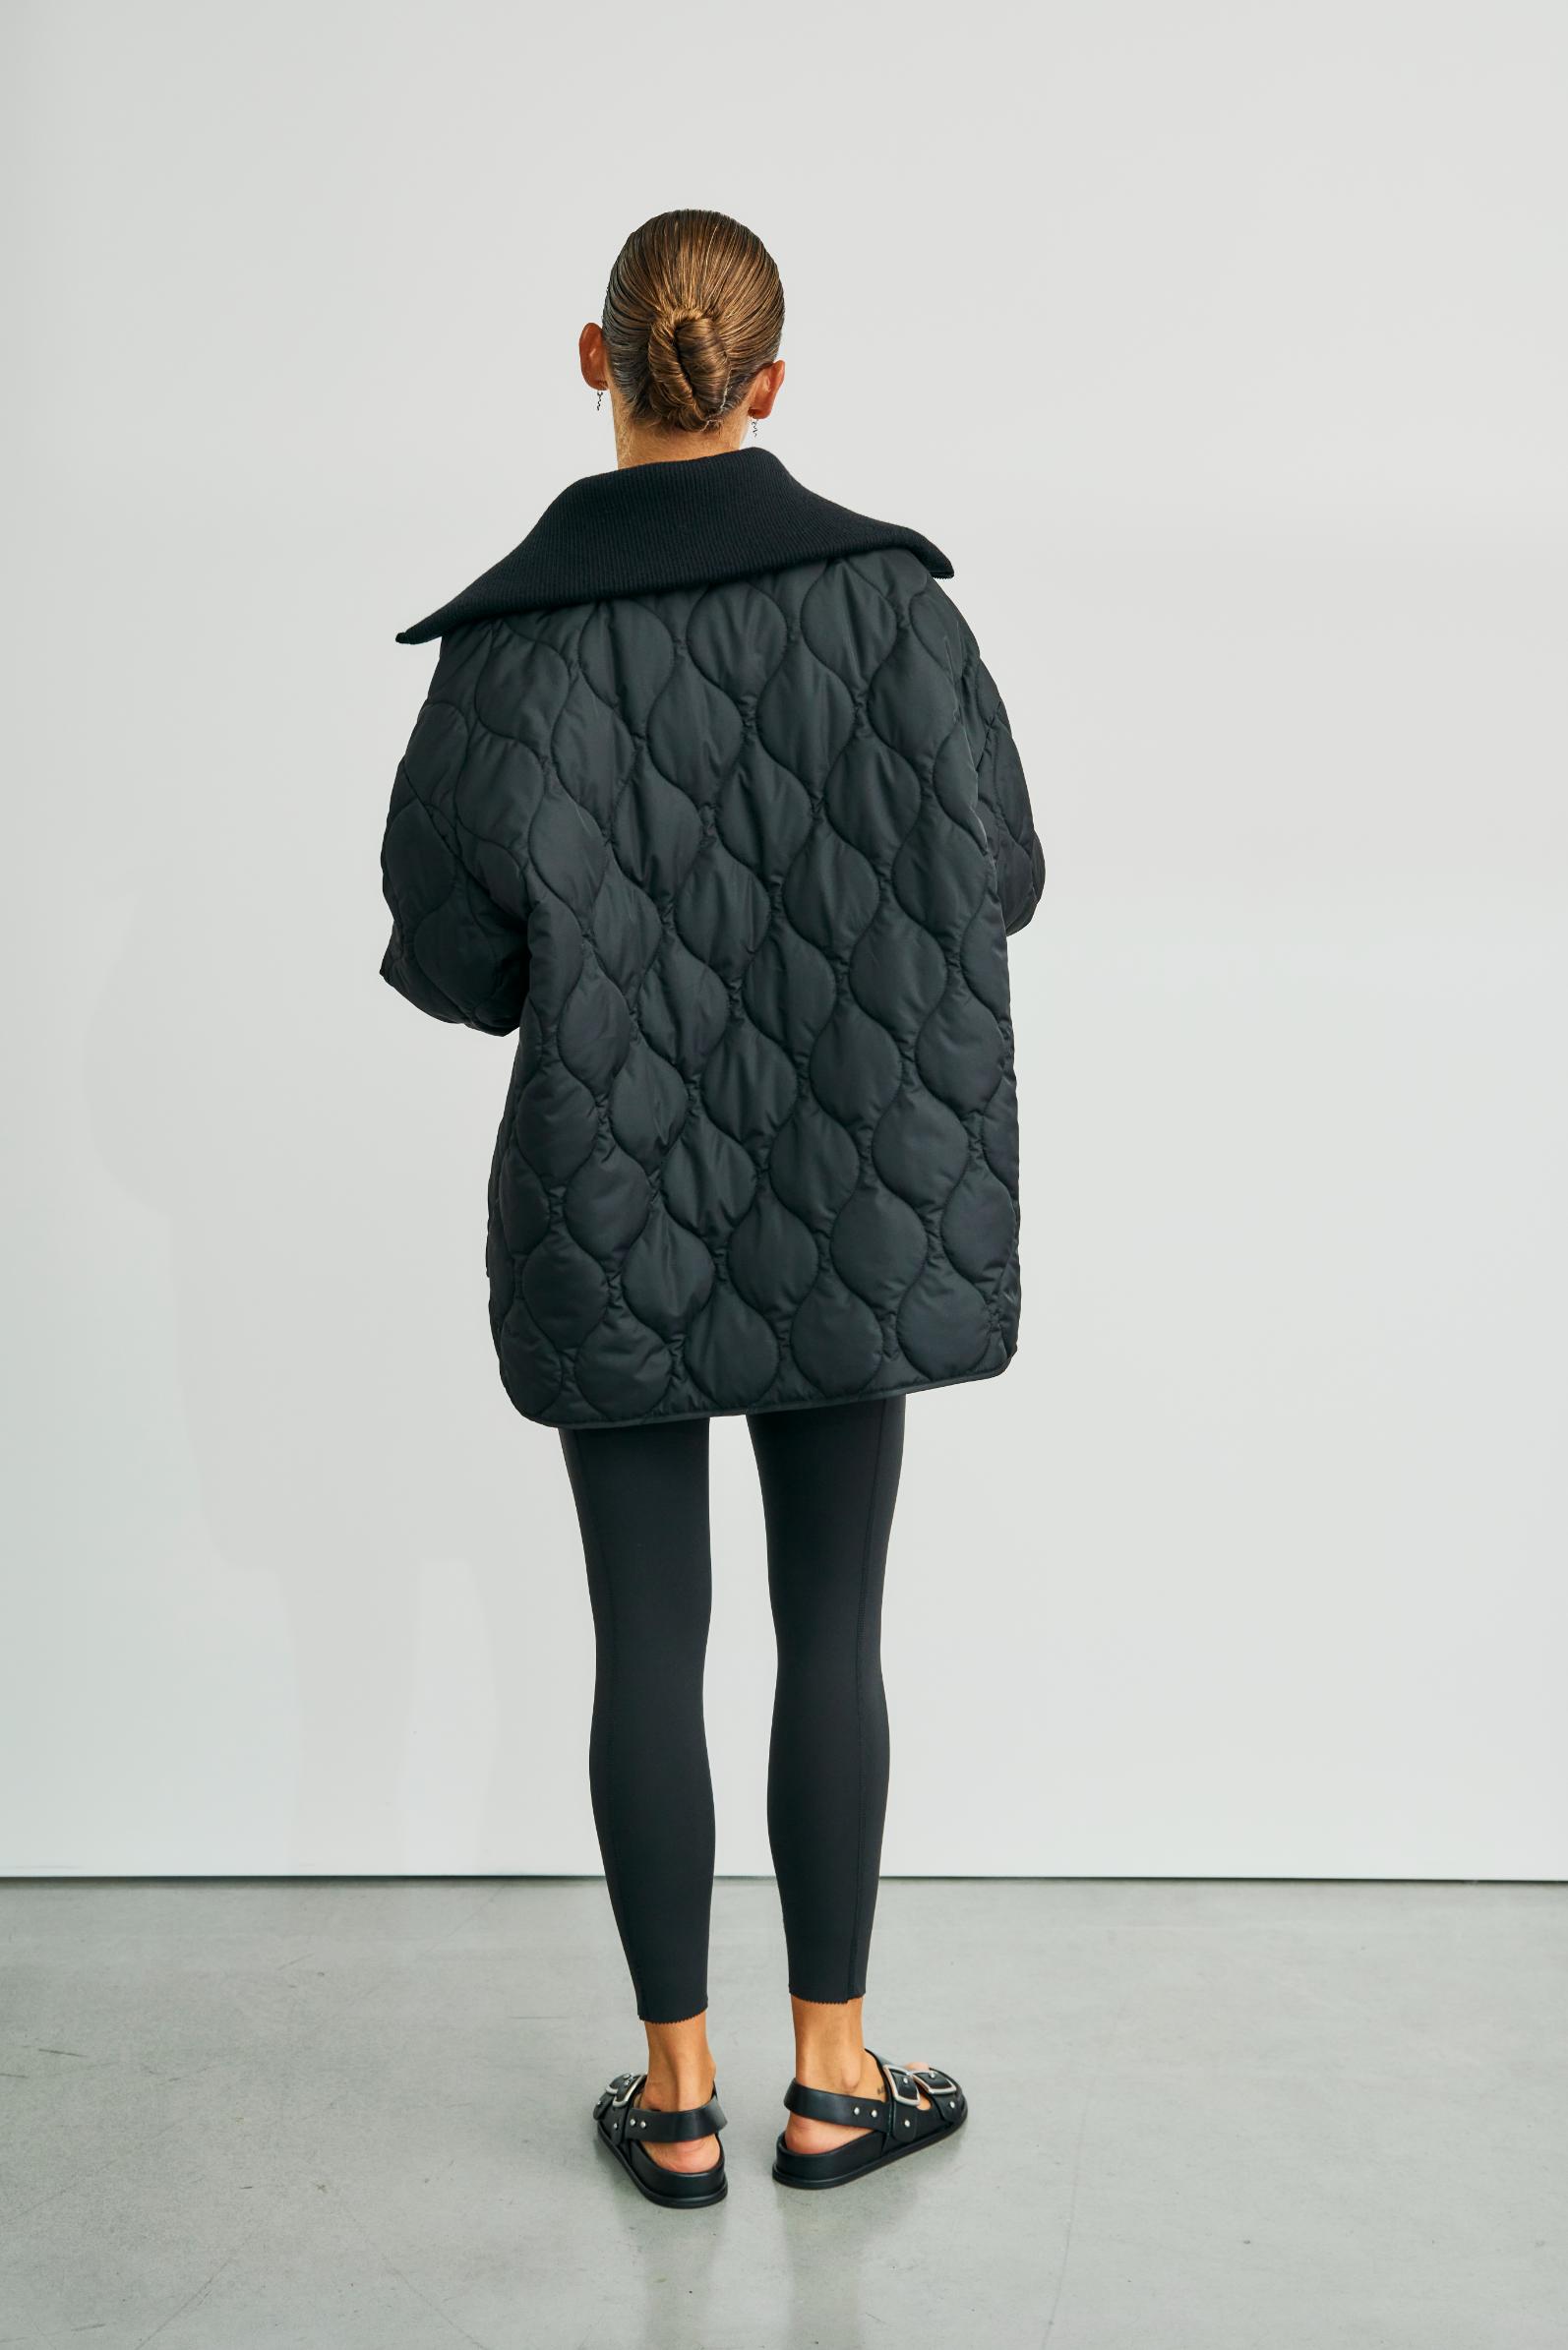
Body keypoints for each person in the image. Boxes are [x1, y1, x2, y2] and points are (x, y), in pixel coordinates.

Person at [378, 208, 1045, 2208]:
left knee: (642, 1644)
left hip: (611, 1197)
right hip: (863, 1190)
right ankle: (833, 2081)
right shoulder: (895, 607)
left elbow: (455, 959)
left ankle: (675, 2102)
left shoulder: (509, 649)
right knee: (832, 1628)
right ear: (769, 384)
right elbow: (1003, 877)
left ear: (594, 362)